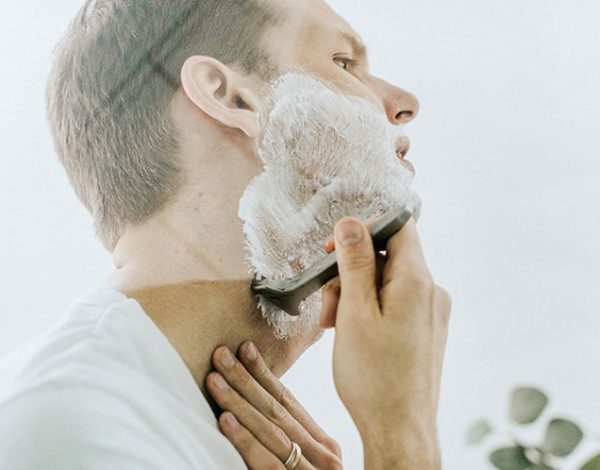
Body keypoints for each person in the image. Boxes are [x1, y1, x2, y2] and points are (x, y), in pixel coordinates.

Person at [0, 0, 451, 469]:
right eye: (343, 63)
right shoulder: (66, 423)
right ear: (230, 97)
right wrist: (403, 439)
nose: (405, 103)